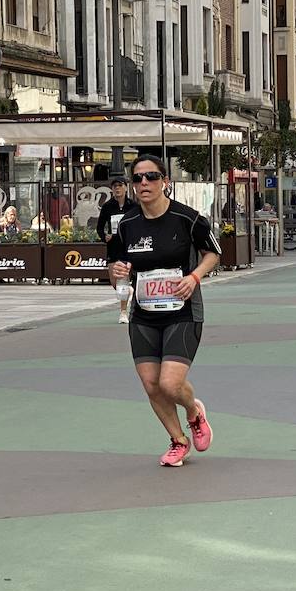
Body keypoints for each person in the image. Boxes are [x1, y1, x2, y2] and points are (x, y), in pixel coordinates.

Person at [107, 155, 221, 468]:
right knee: (151, 385)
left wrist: (194, 276)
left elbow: (213, 254)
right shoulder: (127, 225)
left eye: (152, 177)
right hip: (143, 313)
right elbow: (114, 272)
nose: (144, 183)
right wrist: (116, 272)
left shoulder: (188, 218)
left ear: (165, 182)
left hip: (182, 311)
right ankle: (178, 440)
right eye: (138, 179)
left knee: (171, 384)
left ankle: (194, 414)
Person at [97, 176, 139, 324]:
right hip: (113, 247)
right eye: (114, 186)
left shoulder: (133, 206)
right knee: (115, 282)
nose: (117, 189)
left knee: (122, 280)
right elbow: (99, 227)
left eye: (120, 186)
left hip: (128, 247)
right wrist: (104, 236)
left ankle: (123, 312)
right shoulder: (108, 207)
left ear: (126, 188)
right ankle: (128, 290)